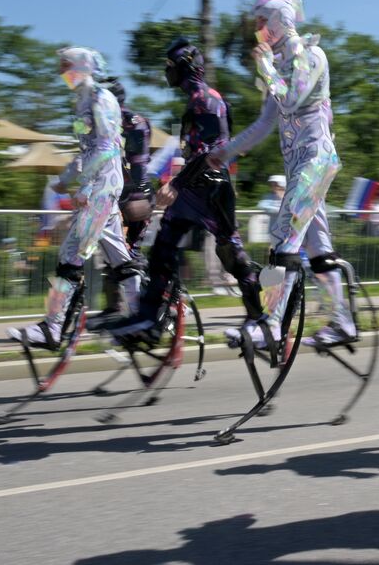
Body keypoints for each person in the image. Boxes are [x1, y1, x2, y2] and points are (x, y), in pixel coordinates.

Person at [212, 0, 352, 349]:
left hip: (315, 161)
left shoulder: (312, 55)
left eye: (261, 20)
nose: (256, 28)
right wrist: (222, 154)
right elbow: (263, 125)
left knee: (283, 237)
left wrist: (265, 66)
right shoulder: (282, 65)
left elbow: (290, 101)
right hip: (302, 167)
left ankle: (272, 325)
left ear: (279, 17)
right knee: (318, 247)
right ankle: (342, 322)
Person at [112, 40, 265, 343]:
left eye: (169, 66)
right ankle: (149, 321)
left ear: (183, 67)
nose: (165, 72)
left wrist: (175, 184)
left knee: (230, 254)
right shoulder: (194, 99)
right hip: (191, 189)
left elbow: (213, 153)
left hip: (213, 189)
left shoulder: (206, 101)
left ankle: (259, 316)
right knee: (162, 250)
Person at [9, 49, 142, 349]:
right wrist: (62, 180)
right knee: (119, 258)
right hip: (97, 188)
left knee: (70, 254)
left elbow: (108, 148)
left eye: (65, 66)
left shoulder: (102, 99)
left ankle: (53, 328)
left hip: (103, 187)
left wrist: (84, 188)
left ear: (82, 66)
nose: (62, 73)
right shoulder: (81, 102)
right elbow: (86, 152)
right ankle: (138, 317)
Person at [86, 76, 153, 329]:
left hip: (133, 197)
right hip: (122, 195)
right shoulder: (119, 122)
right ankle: (117, 309)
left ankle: (163, 304)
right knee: (115, 255)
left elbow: (135, 164)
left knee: (129, 256)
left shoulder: (128, 122)